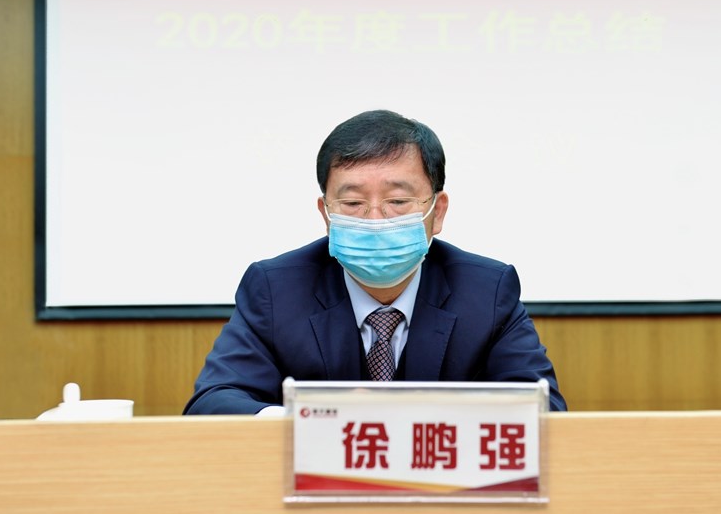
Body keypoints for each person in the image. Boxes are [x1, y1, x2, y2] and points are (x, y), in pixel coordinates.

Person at [184, 109, 567, 414]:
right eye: (352, 203)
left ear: (437, 212)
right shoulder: (275, 289)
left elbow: (543, 408)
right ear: (326, 214)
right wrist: (305, 426)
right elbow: (213, 403)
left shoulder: (487, 290)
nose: (375, 220)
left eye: (397, 201)